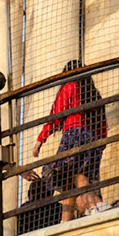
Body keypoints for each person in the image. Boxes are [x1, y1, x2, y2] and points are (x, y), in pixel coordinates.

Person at [30, 60, 107, 220]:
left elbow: (57, 115)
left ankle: (84, 212)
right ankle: (76, 215)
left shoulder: (70, 86)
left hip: (74, 135)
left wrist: (40, 140)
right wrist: (100, 145)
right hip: (92, 140)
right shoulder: (94, 93)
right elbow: (102, 124)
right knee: (76, 178)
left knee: (66, 174)